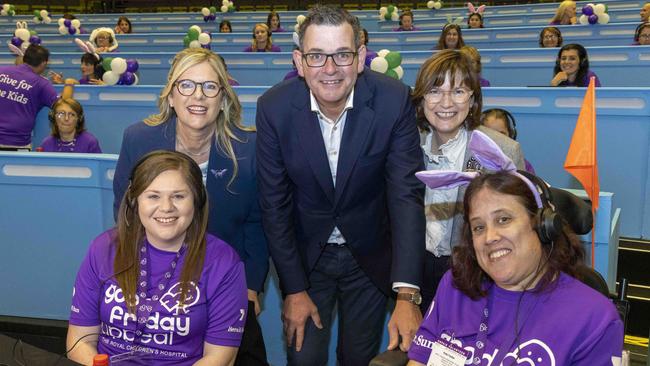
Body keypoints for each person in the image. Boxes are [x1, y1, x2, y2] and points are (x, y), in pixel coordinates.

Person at [256, 4, 425, 365]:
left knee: (359, 358)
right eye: (317, 56)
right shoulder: (273, 108)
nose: (330, 69)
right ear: (299, 62)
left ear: (361, 57)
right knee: (303, 359)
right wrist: (294, 288)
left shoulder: (393, 100)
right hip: (305, 260)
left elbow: (406, 195)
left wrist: (408, 293)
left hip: (369, 257)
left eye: (342, 55)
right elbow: (274, 205)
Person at [112, 47, 269, 365]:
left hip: (225, 286)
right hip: (153, 287)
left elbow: (258, 223)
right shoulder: (138, 139)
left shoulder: (250, 149)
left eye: (210, 86)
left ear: (223, 99)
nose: (198, 96)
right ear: (170, 95)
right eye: (186, 85)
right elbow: (126, 214)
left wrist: (251, 286)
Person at [407, 169, 624, 365]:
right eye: (479, 227)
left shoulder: (594, 319)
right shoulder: (454, 288)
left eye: (503, 219)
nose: (490, 237)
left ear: (541, 225)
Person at [67, 150, 248, 365]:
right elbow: (78, 341)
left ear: (196, 200)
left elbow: (220, 358)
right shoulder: (103, 248)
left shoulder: (224, 263)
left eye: (178, 196)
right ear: (135, 201)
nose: (166, 208)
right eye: (153, 196)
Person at [411, 49, 524, 308]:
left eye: (458, 91)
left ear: (472, 99)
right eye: (435, 91)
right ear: (421, 98)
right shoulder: (406, 145)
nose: (446, 103)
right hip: (416, 271)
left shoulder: (502, 150)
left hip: (478, 273)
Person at [0, 44, 74, 150]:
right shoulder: (42, 83)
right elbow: (65, 106)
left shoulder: (1, 71)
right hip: (17, 143)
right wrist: (69, 83)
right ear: (44, 63)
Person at [480, 108, 535, 174]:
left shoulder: (522, 164)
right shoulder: (474, 160)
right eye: (491, 134)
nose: (496, 139)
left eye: (501, 134)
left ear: (511, 134)